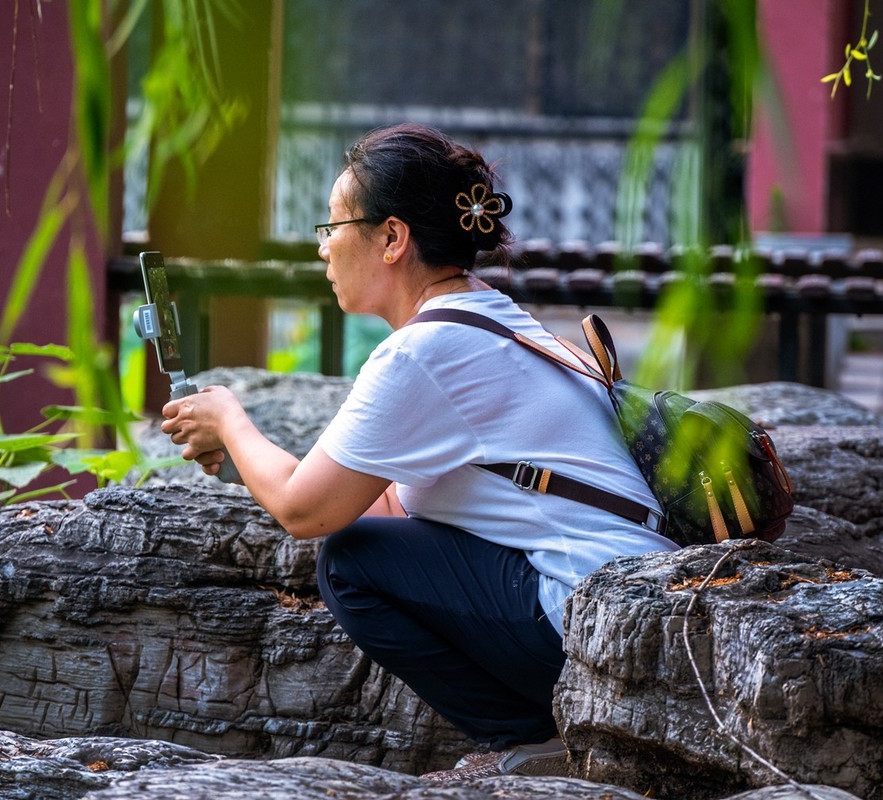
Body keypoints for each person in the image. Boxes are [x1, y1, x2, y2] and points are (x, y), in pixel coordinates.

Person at [160, 122, 677, 781]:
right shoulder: (491, 317)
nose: (321, 251)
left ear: (392, 238)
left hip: (586, 624)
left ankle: (529, 737)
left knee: (349, 563)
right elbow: (377, 502)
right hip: (631, 606)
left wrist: (232, 418)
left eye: (332, 228)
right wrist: (247, 462)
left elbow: (307, 516)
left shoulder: (422, 352)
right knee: (364, 542)